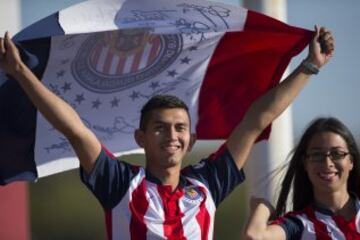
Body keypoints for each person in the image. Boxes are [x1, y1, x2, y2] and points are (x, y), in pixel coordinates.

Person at [0, 25, 333, 239]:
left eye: (180, 129)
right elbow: (72, 128)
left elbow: (256, 120)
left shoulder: (208, 182)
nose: (171, 136)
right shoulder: (118, 182)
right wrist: (20, 72)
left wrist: (310, 66)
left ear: (189, 142)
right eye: (160, 128)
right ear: (140, 138)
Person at [243, 117, 360, 240]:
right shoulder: (298, 224)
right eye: (316, 155)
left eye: (337, 154)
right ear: (305, 163)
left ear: (351, 161)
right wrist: (262, 206)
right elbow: (254, 236)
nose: (327, 163)